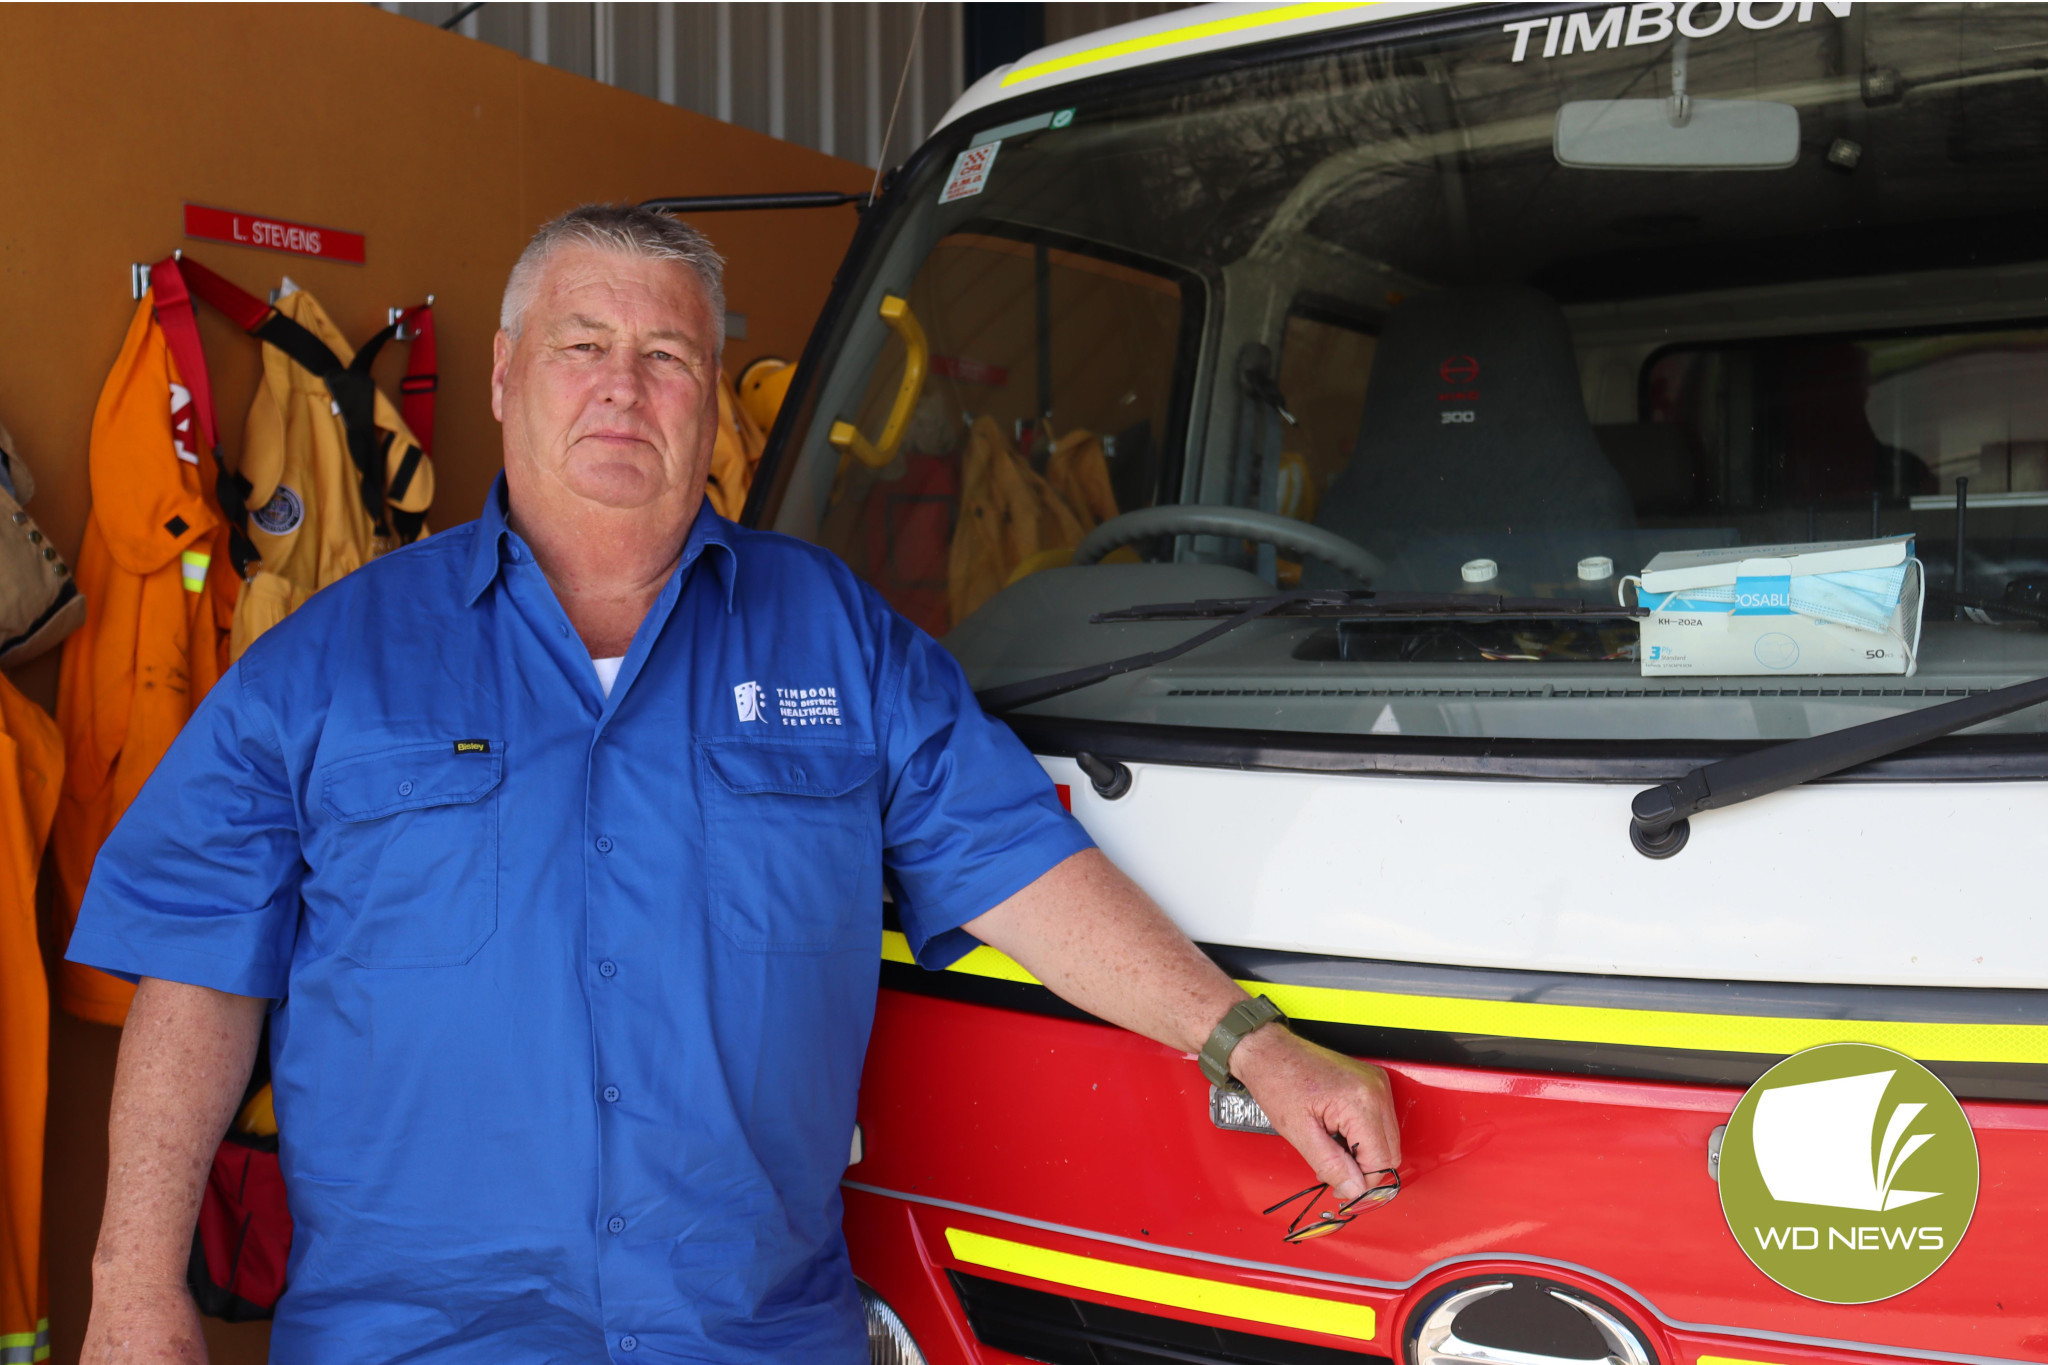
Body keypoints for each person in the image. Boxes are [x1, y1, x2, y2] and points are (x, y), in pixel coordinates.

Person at [69, 204, 1401, 1364]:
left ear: (711, 401)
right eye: (584, 345)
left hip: (748, 1331)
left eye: (667, 357)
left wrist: (1250, 1042)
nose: (622, 388)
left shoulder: (840, 638)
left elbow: (1018, 865)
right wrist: (132, 1285)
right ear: (502, 373)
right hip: (415, 1337)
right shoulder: (326, 665)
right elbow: (201, 968)